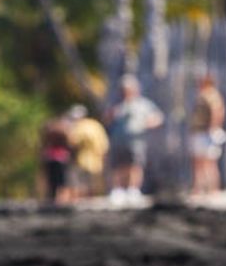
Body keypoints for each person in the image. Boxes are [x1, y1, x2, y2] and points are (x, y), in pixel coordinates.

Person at [106, 75, 164, 204]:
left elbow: (158, 118)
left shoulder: (143, 104)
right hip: (118, 141)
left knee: (135, 165)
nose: (126, 91)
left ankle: (133, 190)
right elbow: (108, 120)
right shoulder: (118, 105)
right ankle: (118, 191)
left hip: (136, 141)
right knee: (118, 166)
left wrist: (146, 124)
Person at [188, 74, 226, 196]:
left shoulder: (212, 96)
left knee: (209, 163)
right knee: (199, 163)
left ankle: (213, 190)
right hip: (199, 132)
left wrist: (214, 129)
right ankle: (199, 189)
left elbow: (217, 113)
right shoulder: (203, 95)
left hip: (206, 133)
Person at [66, 105, 109, 200]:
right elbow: (104, 145)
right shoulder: (96, 125)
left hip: (82, 161)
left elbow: (72, 142)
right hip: (94, 161)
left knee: (82, 185)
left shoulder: (79, 127)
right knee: (91, 185)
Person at [38, 112, 75, 204]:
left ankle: (52, 198)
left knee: (52, 180)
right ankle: (62, 199)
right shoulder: (63, 131)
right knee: (62, 180)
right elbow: (69, 145)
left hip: (51, 157)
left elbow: (43, 144)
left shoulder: (50, 131)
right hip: (61, 157)